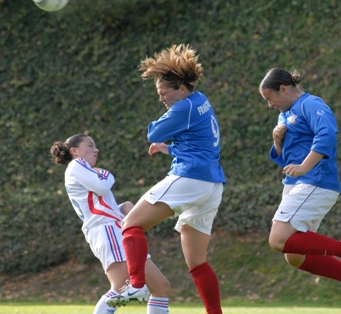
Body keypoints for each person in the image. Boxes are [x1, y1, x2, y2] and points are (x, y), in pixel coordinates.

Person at [106, 44, 226, 314]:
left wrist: (160, 137)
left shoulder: (183, 108)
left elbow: (154, 132)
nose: (161, 98)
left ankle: (136, 285)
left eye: (164, 93)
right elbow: (200, 144)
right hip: (212, 183)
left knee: (130, 224)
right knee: (197, 262)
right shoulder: (200, 100)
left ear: (181, 89)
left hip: (190, 177)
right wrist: (169, 149)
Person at [258, 68, 341, 314]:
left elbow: (327, 135)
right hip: (296, 184)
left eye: (270, 98)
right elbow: (286, 160)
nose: (269, 105)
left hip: (316, 181)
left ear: (284, 89)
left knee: (278, 239)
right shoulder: (284, 114)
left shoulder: (311, 104)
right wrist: (277, 142)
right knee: (295, 256)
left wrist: (304, 167)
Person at [50, 133, 170, 314]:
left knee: (161, 286)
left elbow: (98, 204)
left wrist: (123, 209)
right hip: (107, 230)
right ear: (74, 151)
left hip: (113, 228)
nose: (95, 149)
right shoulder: (77, 165)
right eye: (90, 145)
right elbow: (103, 186)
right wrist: (105, 173)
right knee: (121, 286)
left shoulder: (84, 171)